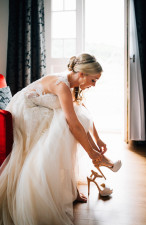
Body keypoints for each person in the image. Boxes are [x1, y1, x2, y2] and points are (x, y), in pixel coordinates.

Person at [0, 53, 121, 225]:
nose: (94, 85)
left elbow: (84, 113)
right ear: (82, 74)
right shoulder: (62, 85)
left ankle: (91, 166)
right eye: (93, 80)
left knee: (75, 119)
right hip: (24, 112)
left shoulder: (71, 82)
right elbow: (74, 124)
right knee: (64, 130)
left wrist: (98, 139)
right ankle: (97, 160)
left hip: (40, 108)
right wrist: (91, 152)